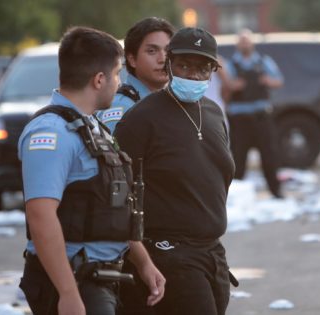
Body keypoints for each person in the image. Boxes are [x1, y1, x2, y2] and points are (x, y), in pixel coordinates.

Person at [18, 26, 165, 315]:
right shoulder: (51, 132)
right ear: (99, 79)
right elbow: (40, 215)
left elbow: (111, 206)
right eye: (117, 73)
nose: (119, 81)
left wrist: (144, 263)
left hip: (100, 280)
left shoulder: (92, 127)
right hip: (75, 283)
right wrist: (68, 293)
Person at [114, 27, 237, 315]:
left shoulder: (213, 112)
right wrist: (140, 256)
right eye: (185, 65)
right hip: (169, 254)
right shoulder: (141, 117)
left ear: (214, 70)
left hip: (212, 251)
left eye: (203, 68)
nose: (194, 75)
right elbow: (117, 192)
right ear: (169, 64)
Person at [226, 28, 284, 198]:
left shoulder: (263, 62)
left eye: (247, 40)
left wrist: (267, 81)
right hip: (239, 118)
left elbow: (279, 81)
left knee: (269, 155)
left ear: (252, 43)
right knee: (237, 158)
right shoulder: (231, 64)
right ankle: (236, 195)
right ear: (237, 44)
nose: (245, 43)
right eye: (241, 41)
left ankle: (276, 191)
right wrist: (234, 85)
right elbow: (226, 86)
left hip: (261, 117)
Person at [97, 17, 175, 133]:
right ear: (132, 59)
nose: (163, 59)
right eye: (152, 51)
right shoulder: (122, 107)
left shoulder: (170, 103)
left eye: (168, 51)